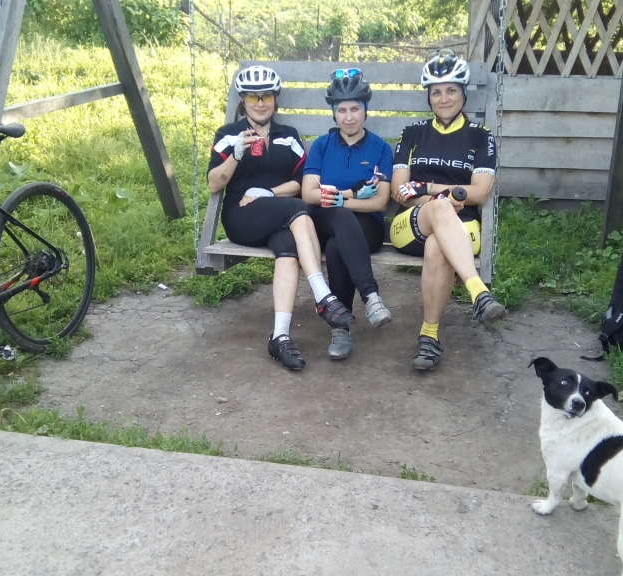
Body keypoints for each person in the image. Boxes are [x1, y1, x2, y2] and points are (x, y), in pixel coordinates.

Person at [208, 65, 354, 371]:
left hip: (278, 214)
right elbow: (214, 183)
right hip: (242, 216)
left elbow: (299, 183)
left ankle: (280, 336)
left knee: (289, 249)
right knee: (298, 209)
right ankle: (323, 295)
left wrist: (269, 192)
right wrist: (235, 155)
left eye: (267, 96)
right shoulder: (228, 135)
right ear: (243, 101)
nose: (260, 103)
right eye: (253, 97)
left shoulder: (288, 136)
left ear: (275, 99)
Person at [389, 49, 508, 371]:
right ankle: (478, 292)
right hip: (409, 224)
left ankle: (429, 336)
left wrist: (427, 187)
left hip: (462, 227)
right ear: (429, 97)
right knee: (441, 208)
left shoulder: (480, 137)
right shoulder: (412, 134)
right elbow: (399, 190)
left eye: (451, 90)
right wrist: (440, 198)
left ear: (463, 94)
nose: (444, 99)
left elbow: (480, 192)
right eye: (436, 92)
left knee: (437, 247)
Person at [301, 69, 394, 360]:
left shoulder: (381, 148)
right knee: (338, 219)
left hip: (368, 227)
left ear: (365, 110)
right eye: (341, 110)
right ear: (333, 113)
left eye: (355, 109)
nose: (349, 117)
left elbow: (380, 202)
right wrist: (349, 196)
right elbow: (308, 194)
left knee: (336, 246)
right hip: (324, 220)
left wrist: (340, 199)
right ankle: (371, 297)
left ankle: (340, 327)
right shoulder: (321, 145)